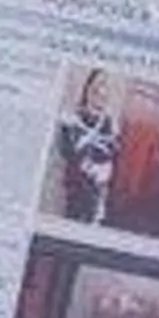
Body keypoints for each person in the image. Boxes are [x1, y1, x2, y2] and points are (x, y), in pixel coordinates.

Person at [55, 70, 119, 224]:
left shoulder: (109, 123)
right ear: (88, 88)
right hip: (75, 186)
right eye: (97, 85)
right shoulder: (72, 118)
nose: (101, 91)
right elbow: (65, 150)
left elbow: (111, 154)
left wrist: (101, 171)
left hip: (96, 189)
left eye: (105, 86)